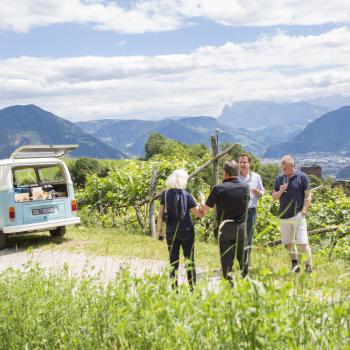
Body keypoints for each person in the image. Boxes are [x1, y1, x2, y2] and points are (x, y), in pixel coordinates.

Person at [199, 160, 249, 282]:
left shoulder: (219, 189)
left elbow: (204, 209)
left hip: (225, 228)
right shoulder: (245, 187)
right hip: (241, 228)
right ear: (237, 172)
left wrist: (201, 199)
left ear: (224, 173)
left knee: (226, 261)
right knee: (244, 259)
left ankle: (229, 288)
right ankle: (247, 284)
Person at [157, 169, 203, 289]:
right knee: (189, 260)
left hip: (171, 231)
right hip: (187, 230)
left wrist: (159, 231)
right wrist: (202, 200)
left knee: (173, 261)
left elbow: (160, 214)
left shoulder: (165, 194)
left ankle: (174, 290)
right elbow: (200, 214)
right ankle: (192, 289)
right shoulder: (187, 195)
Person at [272, 155, 313, 273]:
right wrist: (280, 190)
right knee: (288, 243)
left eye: (284, 168)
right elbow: (274, 197)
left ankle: (308, 267)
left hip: (298, 214)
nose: (282, 171)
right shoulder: (279, 178)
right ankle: (295, 266)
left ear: (292, 166)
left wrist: (304, 210)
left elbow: (308, 195)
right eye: (282, 168)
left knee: (303, 242)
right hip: (284, 215)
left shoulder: (302, 177)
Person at [238, 154, 265, 270]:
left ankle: (246, 263)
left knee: (248, 237)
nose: (242, 164)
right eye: (240, 162)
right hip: (237, 211)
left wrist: (258, 193)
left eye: (244, 162)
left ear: (250, 164)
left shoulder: (256, 177)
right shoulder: (235, 176)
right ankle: (238, 261)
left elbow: (262, 192)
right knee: (237, 237)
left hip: (251, 211)